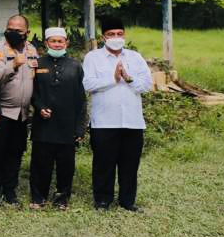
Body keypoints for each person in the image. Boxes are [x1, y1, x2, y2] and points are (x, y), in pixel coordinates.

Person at [83, 17, 152, 211]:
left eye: (119, 34)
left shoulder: (135, 57)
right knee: (103, 164)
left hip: (132, 121)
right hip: (104, 121)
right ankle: (102, 200)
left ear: (124, 35)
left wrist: (129, 78)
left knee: (130, 164)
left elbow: (147, 85)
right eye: (111, 34)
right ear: (103, 37)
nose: (116, 37)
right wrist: (113, 78)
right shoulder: (93, 57)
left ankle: (127, 201)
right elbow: (87, 84)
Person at [30, 27, 86, 210]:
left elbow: (81, 99)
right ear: (46, 43)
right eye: (53, 41)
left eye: (60, 41)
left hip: (67, 124)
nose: (57, 44)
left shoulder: (75, 66)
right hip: (43, 123)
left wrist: (80, 127)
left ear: (66, 43)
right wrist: (39, 108)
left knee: (65, 165)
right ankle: (38, 198)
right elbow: (32, 92)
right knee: (40, 163)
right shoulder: (37, 64)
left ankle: (62, 199)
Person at [0, 14, 39, 206]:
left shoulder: (31, 49)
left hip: (23, 113)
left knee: (15, 153)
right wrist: (13, 65)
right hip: (3, 112)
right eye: (10, 29)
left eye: (18, 30)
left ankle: (10, 191)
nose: (13, 33)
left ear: (27, 32)